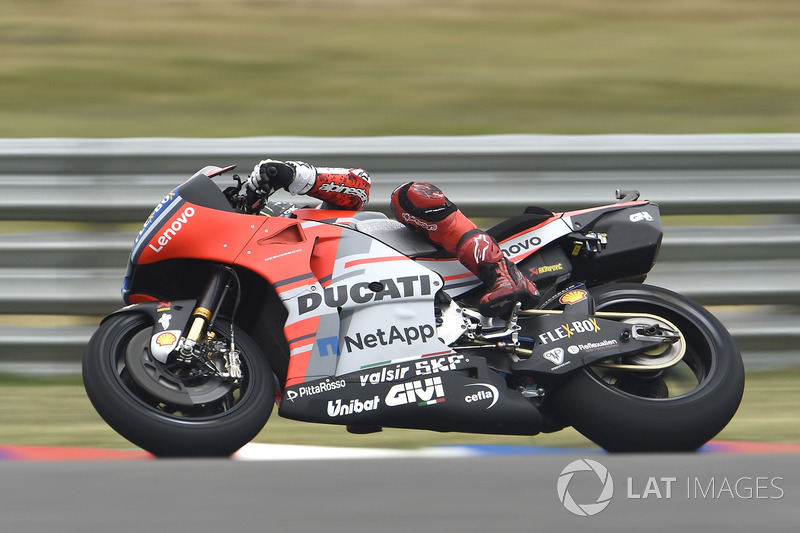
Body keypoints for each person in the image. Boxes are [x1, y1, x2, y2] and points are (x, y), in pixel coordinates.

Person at [247, 159, 539, 317]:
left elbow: (359, 184)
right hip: (370, 307)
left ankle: (503, 274)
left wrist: (291, 175)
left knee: (410, 195)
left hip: (416, 257)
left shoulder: (305, 219)